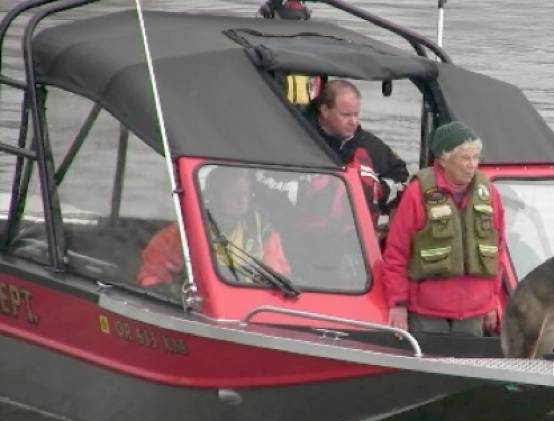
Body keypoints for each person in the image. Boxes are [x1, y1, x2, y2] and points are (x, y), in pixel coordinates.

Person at [382, 121, 506, 337]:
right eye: (465, 158)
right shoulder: (416, 193)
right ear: (443, 160)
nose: (472, 165)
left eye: (475, 158)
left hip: (474, 311)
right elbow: (396, 253)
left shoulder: (489, 193)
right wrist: (398, 303)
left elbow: (498, 252)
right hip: (427, 312)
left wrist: (493, 301)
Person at [137, 166, 289, 289]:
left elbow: (277, 274)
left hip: (249, 305)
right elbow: (152, 273)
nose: (241, 201)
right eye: (232, 195)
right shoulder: (181, 233)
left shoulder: (263, 232)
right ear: (214, 198)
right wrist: (162, 292)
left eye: (245, 194)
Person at [306, 79, 409, 225]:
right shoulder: (300, 139)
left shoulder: (372, 147)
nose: (353, 121)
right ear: (324, 111)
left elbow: (401, 178)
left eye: (356, 114)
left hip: (356, 234)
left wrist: (378, 190)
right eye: (346, 115)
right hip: (307, 229)